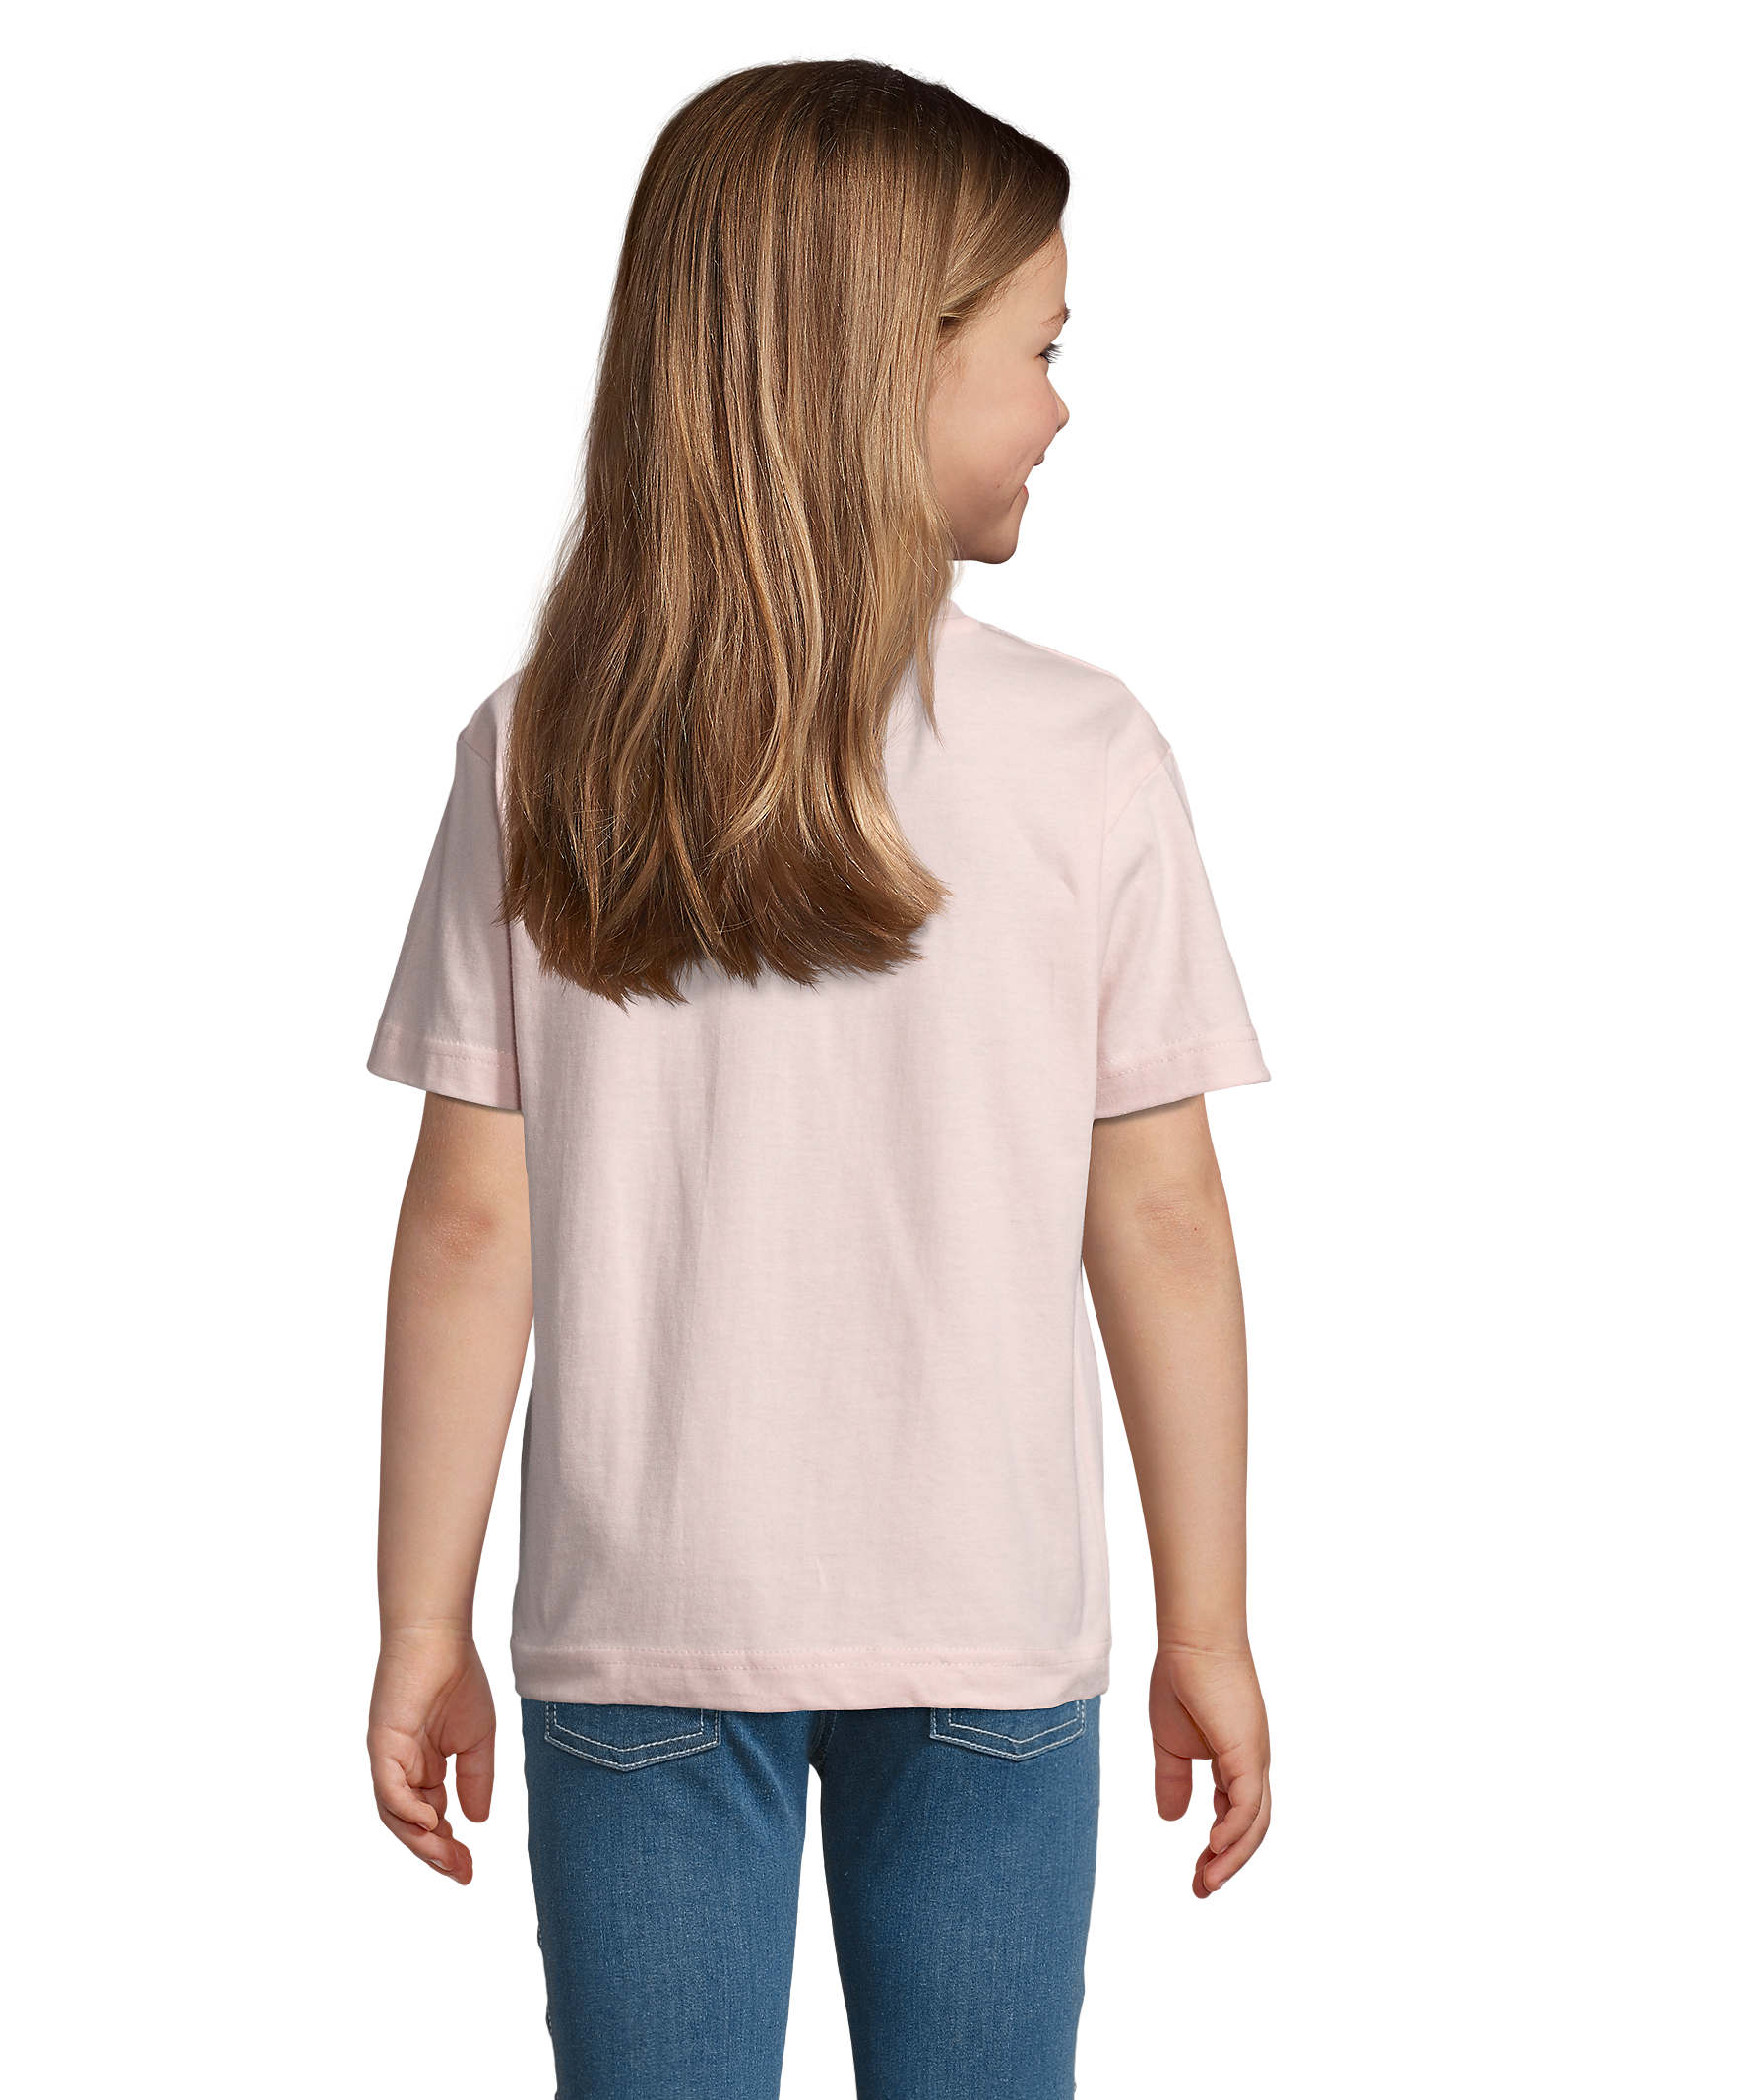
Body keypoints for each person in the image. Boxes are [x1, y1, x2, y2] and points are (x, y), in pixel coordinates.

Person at [363, 57, 1273, 2100]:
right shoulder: (1085, 754)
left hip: (642, 1626)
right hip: (985, 1628)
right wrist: (1206, 1619)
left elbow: (472, 1219)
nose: (1062, 405)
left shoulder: (544, 744)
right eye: (1039, 350)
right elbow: (1159, 1217)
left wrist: (420, 1616)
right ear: (885, 365)